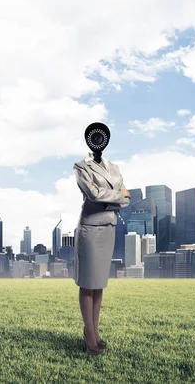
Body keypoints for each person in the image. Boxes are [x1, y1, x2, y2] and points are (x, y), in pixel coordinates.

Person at [73, 122, 131, 356]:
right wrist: (117, 196)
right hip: (90, 228)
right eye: (93, 137)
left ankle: (95, 332)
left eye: (102, 136)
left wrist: (112, 196)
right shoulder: (80, 166)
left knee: (99, 284)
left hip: (109, 227)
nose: (97, 141)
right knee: (88, 283)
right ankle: (90, 335)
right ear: (89, 140)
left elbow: (127, 199)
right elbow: (93, 194)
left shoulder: (114, 168)